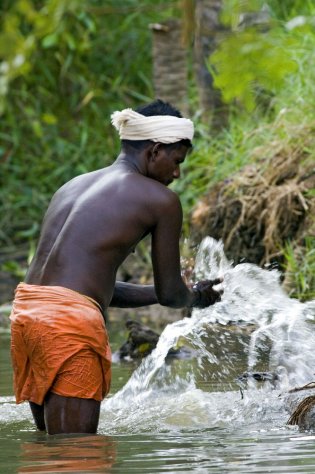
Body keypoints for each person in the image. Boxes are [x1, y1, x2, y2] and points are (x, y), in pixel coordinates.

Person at [9, 99, 222, 435]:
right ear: (154, 151)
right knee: (74, 456)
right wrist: (196, 295)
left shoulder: (72, 187)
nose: (178, 173)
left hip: (27, 314)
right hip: (68, 324)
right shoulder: (161, 201)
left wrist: (159, 293)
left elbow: (88, 290)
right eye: (177, 161)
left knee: (49, 451)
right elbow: (171, 295)